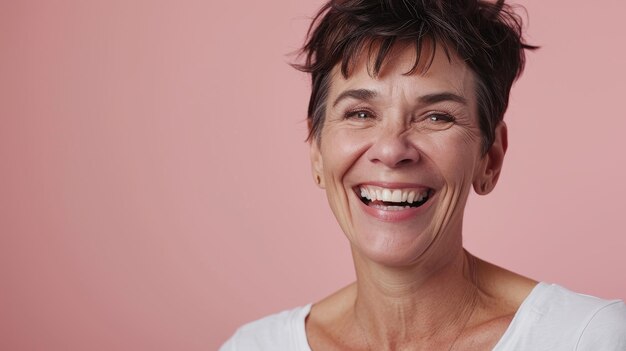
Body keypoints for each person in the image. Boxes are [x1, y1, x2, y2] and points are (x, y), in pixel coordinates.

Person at [220, 0, 626, 349]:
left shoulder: (589, 339)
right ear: (316, 152)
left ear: (490, 158)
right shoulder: (253, 346)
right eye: (360, 113)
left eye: (436, 116)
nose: (392, 149)